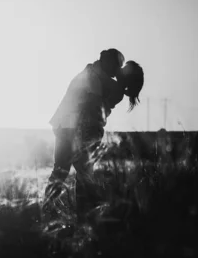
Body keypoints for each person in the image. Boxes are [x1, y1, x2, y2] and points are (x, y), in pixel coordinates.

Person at [44, 53, 144, 220]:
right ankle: (80, 215)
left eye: (125, 69)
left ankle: (60, 212)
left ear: (127, 79)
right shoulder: (109, 83)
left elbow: (92, 86)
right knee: (79, 174)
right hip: (72, 127)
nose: (120, 68)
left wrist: (100, 63)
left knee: (69, 172)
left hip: (79, 130)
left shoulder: (114, 87)